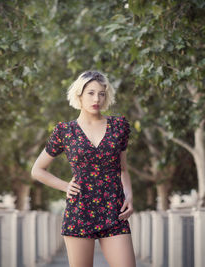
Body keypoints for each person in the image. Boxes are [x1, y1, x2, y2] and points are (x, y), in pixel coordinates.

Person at [31, 70, 136, 267]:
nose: (97, 98)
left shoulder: (118, 126)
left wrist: (129, 195)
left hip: (114, 211)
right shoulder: (65, 131)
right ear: (79, 94)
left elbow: (123, 169)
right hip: (80, 211)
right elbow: (37, 170)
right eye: (90, 93)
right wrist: (65, 187)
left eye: (101, 93)